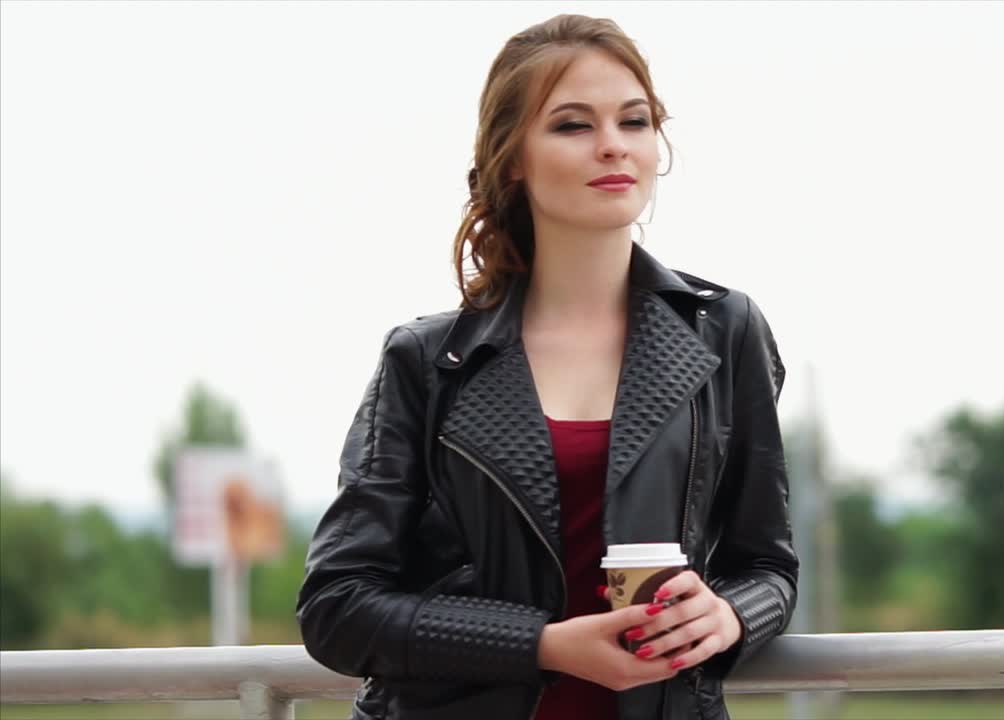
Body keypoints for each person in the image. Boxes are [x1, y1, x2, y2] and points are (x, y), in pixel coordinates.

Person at [296, 14, 798, 720]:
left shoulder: (724, 332)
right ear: (512, 158)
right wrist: (543, 645)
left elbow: (768, 566)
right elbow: (337, 606)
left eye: (635, 121)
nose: (613, 145)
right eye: (572, 125)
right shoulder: (429, 361)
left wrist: (732, 614)